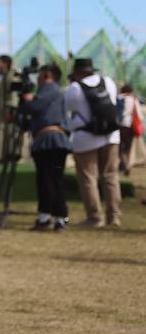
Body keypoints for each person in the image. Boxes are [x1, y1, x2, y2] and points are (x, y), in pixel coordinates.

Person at [66, 58, 121, 228]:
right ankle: (114, 217)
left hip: (85, 137)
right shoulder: (109, 82)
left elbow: (67, 109)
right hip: (111, 135)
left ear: (77, 73)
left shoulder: (74, 88)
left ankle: (95, 217)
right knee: (111, 176)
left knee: (88, 178)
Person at [21, 64, 70, 232]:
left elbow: (34, 107)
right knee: (55, 180)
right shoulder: (58, 91)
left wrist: (27, 98)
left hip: (48, 141)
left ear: (48, 75)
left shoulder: (49, 89)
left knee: (46, 180)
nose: (38, 79)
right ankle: (59, 218)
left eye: (40, 75)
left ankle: (47, 218)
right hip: (58, 141)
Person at [119, 84, 141, 176]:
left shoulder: (119, 98)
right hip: (130, 127)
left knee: (120, 148)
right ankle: (125, 165)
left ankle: (123, 166)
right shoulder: (134, 100)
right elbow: (139, 115)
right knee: (127, 148)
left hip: (119, 126)